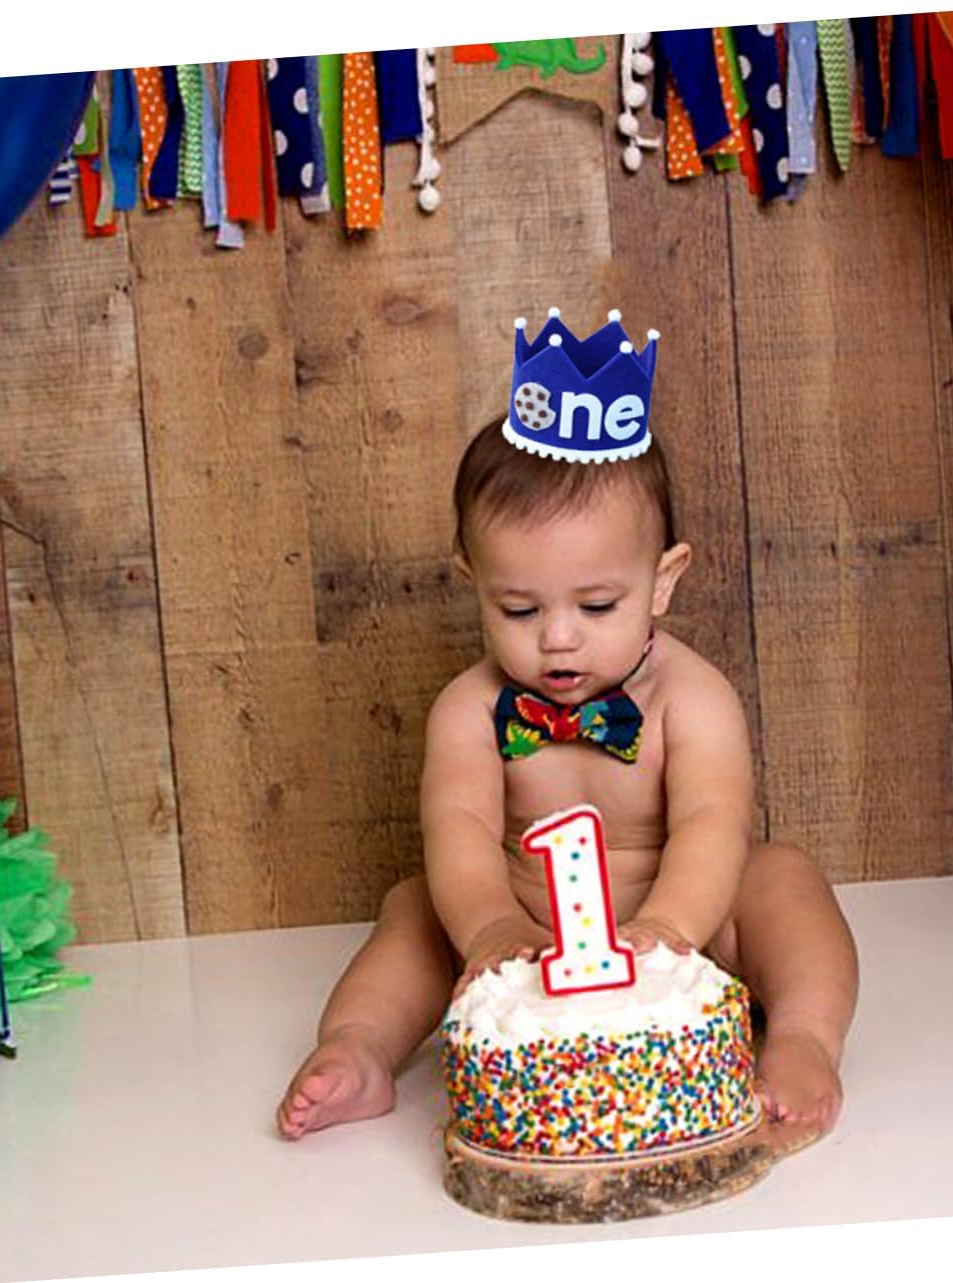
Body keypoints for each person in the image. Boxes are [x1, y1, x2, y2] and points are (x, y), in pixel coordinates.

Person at [277, 310, 858, 1146]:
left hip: (682, 930)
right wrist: (490, 927)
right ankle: (359, 1048)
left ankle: (803, 1041)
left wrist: (667, 931)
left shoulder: (691, 698)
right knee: (413, 909)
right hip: (524, 932)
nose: (557, 637)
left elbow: (712, 821)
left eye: (596, 605)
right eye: (519, 608)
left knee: (783, 880)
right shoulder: (469, 709)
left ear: (662, 581)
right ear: (473, 583)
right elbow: (458, 826)